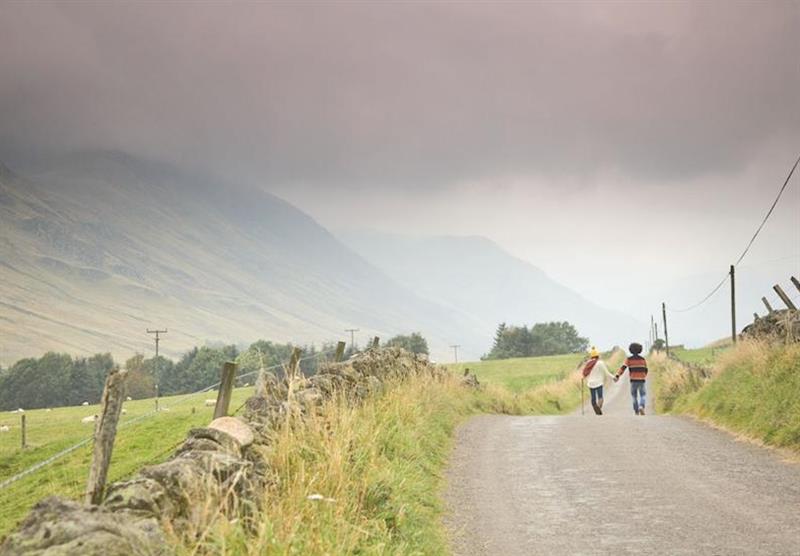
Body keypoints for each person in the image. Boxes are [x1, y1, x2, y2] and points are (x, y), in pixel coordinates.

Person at [614, 342, 648, 415]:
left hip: (633, 380)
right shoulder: (643, 359)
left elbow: (623, 368)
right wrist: (643, 375)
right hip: (642, 380)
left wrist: (617, 375)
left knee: (634, 396)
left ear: (631, 350)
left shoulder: (629, 359)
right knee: (643, 395)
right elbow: (645, 369)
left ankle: (636, 411)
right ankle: (641, 406)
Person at [581, 346, 615, 415]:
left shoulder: (588, 363)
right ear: (597, 356)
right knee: (600, 397)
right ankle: (599, 408)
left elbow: (585, 373)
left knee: (593, 399)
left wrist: (583, 378)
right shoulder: (600, 363)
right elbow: (607, 373)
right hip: (599, 383)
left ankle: (596, 409)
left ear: (591, 356)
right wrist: (614, 377)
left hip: (590, 383)